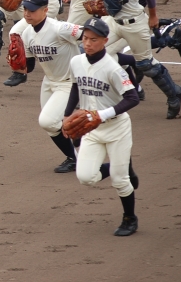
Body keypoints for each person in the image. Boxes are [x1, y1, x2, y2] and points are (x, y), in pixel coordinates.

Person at [87, 0, 181, 119]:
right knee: (93, 51)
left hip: (134, 23)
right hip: (113, 22)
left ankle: (174, 94)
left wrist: (153, 16)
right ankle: (113, 94)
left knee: (147, 65)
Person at [65, 18, 141, 236]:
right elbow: (75, 87)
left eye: (93, 40)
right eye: (85, 39)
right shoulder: (76, 62)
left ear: (105, 41)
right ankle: (122, 166)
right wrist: (67, 115)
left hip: (117, 128)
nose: (87, 43)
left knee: (120, 180)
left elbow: (133, 98)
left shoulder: (113, 68)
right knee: (86, 178)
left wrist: (102, 114)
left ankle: (129, 218)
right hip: (91, 129)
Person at [19, 0, 82, 173]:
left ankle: (80, 130)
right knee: (51, 126)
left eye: (32, 10)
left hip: (69, 82)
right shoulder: (27, 34)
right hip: (49, 82)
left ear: (46, 10)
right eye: (25, 9)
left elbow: (88, 33)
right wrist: (17, 64)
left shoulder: (59, 28)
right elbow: (29, 67)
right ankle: (74, 158)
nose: (27, 14)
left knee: (47, 121)